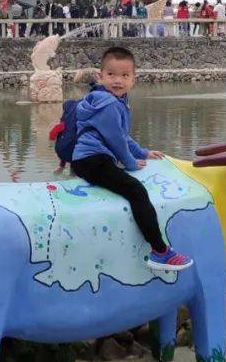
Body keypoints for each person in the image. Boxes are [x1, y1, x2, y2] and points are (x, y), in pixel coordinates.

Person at [70, 47, 192, 271]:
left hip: (94, 157)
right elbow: (117, 141)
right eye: (111, 75)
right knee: (136, 190)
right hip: (91, 160)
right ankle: (160, 252)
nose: (118, 80)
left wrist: (143, 152)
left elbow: (122, 136)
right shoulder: (108, 104)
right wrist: (131, 164)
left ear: (133, 79)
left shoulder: (113, 100)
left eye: (125, 75)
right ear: (100, 76)